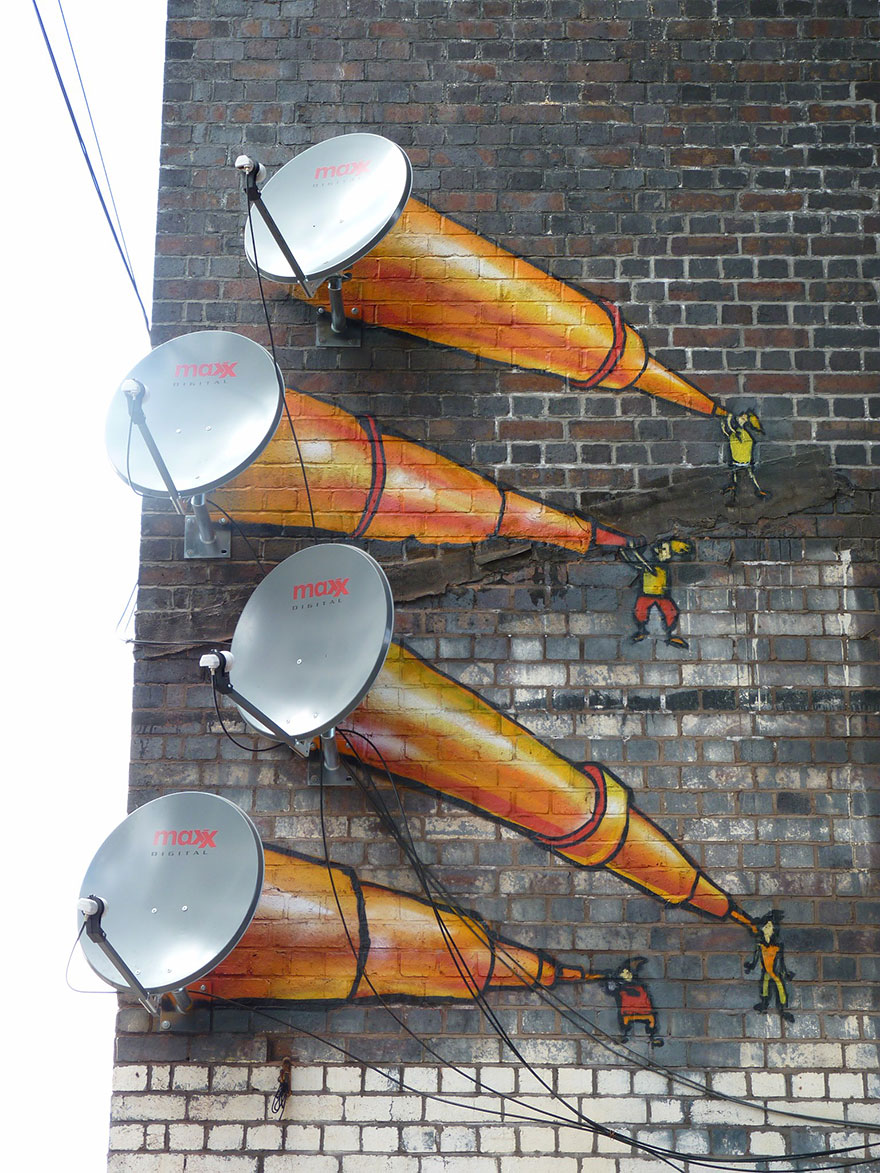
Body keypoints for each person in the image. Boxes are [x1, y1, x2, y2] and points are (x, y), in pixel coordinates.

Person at [620, 538, 693, 648]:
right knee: (640, 611)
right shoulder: (649, 565)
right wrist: (624, 552)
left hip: (662, 595)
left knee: (671, 612)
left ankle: (668, 635)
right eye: (664, 550)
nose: (667, 554)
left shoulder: (662, 566)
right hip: (647, 594)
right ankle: (642, 631)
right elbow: (635, 564)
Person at [745, 910, 795, 1022]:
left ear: (774, 930)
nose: (767, 929)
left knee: (780, 988)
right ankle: (764, 1003)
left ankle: (782, 1009)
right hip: (766, 971)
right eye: (765, 927)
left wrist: (785, 973)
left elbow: (781, 961)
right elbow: (756, 958)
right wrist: (751, 966)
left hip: (775, 972)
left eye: (769, 927)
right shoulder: (760, 945)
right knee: (764, 987)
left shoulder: (777, 947)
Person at [603, 958, 663, 1046]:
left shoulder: (639, 985)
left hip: (642, 1011)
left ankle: (653, 1036)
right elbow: (610, 990)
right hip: (631, 1012)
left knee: (651, 1019)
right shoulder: (621, 984)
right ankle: (626, 1035)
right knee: (627, 1021)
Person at [721, 410, 768, 500]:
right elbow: (728, 428)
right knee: (743, 475)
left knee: (749, 475)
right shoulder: (736, 433)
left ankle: (756, 490)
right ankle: (734, 490)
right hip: (739, 461)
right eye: (743, 417)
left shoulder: (743, 433)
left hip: (745, 461)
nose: (745, 419)